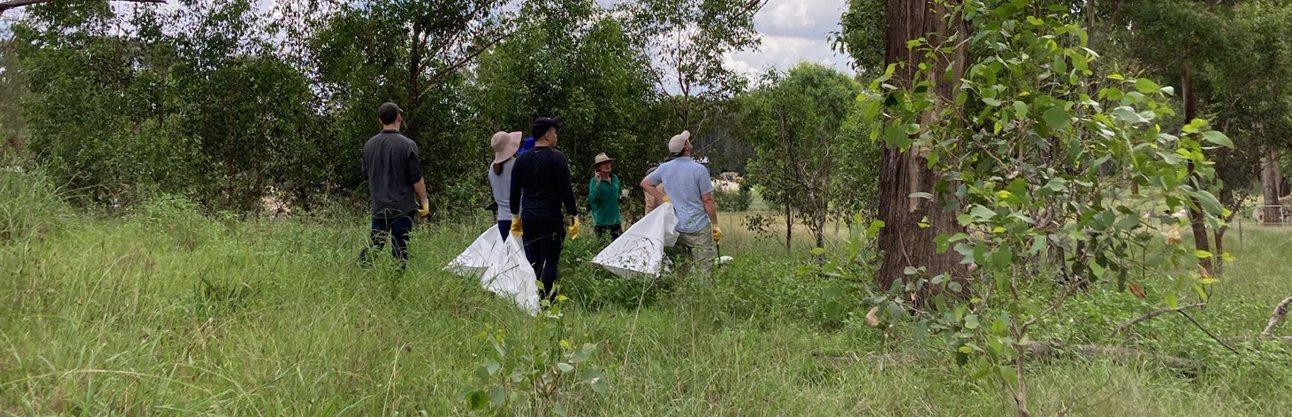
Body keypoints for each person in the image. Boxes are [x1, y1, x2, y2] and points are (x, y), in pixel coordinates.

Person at [510, 117, 580, 302]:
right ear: (547, 135)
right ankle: (549, 303)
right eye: (555, 132)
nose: (556, 136)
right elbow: (566, 190)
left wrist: (515, 217)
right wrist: (574, 214)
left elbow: (515, 192)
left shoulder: (521, 160)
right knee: (550, 262)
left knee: (535, 263)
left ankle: (536, 300)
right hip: (550, 218)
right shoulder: (557, 158)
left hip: (529, 218)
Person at [641, 130, 720, 276]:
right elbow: (707, 200)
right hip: (699, 227)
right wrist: (715, 224)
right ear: (686, 147)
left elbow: (645, 183)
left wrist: (663, 197)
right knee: (704, 268)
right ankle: (703, 295)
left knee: (681, 267)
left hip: (676, 227)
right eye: (687, 140)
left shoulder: (665, 168)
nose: (689, 141)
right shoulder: (699, 170)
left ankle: (680, 293)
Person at [360, 102, 428, 270]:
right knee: (399, 249)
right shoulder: (408, 145)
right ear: (399, 118)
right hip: (403, 208)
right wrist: (424, 201)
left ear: (380, 120)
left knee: (375, 245)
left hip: (379, 206)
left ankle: (361, 272)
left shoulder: (369, 145)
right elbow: (416, 178)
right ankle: (395, 283)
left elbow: (365, 175)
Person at [488, 131, 522, 241]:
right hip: (519, 217)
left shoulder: (492, 168)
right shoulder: (517, 164)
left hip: (502, 218)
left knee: (508, 255)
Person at [588, 152, 624, 239]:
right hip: (602, 222)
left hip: (616, 220)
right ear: (599, 167)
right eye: (604, 163)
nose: (607, 165)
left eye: (608, 162)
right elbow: (593, 200)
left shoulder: (614, 178)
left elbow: (616, 196)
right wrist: (598, 184)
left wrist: (621, 198)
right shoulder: (594, 181)